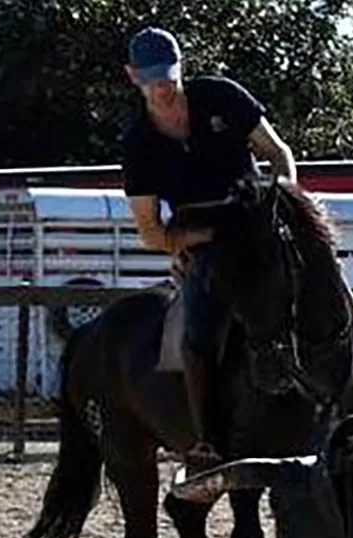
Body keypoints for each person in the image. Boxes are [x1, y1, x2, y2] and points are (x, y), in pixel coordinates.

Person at [120, 26, 299, 473]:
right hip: (207, 249)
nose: (162, 88)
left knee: (342, 308)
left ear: (181, 68)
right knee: (198, 334)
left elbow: (278, 154)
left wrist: (281, 203)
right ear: (133, 77)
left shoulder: (223, 97)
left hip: (260, 231)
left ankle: (345, 403)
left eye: (168, 77)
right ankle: (207, 441)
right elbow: (150, 232)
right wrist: (196, 241)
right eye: (151, 80)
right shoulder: (138, 144)